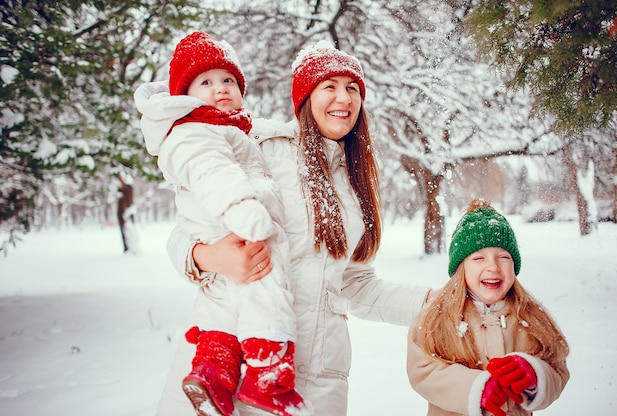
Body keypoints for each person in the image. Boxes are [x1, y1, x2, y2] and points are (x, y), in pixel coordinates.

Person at [141, 39, 435, 415]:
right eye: (329, 87)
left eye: (352, 89)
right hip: (236, 361)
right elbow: (187, 228)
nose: (342, 98)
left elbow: (354, 284)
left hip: (317, 375)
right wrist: (212, 257)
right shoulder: (261, 146)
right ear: (305, 98)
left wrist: (435, 303)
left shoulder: (355, 183)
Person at [134, 31, 309, 416]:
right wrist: (212, 251)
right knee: (263, 285)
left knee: (221, 311)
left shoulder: (234, 130)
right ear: (184, 95)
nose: (221, 89)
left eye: (228, 80)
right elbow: (213, 177)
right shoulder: (200, 132)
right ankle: (267, 375)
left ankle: (212, 371)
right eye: (207, 82)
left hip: (233, 246)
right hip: (238, 234)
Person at [406, 198, 570, 416]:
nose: (493, 266)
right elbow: (423, 371)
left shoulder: (531, 316)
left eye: (503, 257)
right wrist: (476, 390)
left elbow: (557, 367)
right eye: (478, 258)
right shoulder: (436, 318)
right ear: (460, 268)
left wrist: (535, 375)